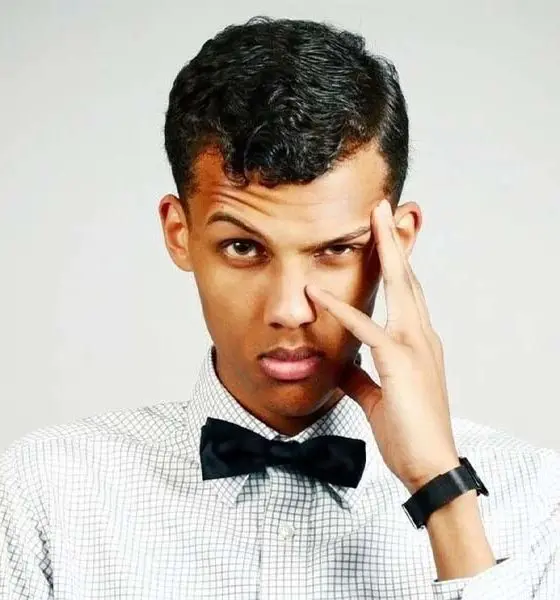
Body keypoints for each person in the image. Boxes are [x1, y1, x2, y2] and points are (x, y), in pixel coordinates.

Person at [1, 16, 558, 600]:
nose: (290, 310)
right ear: (179, 233)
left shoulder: (539, 501)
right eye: (243, 248)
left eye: (336, 250)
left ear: (397, 241)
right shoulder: (48, 494)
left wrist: (443, 494)